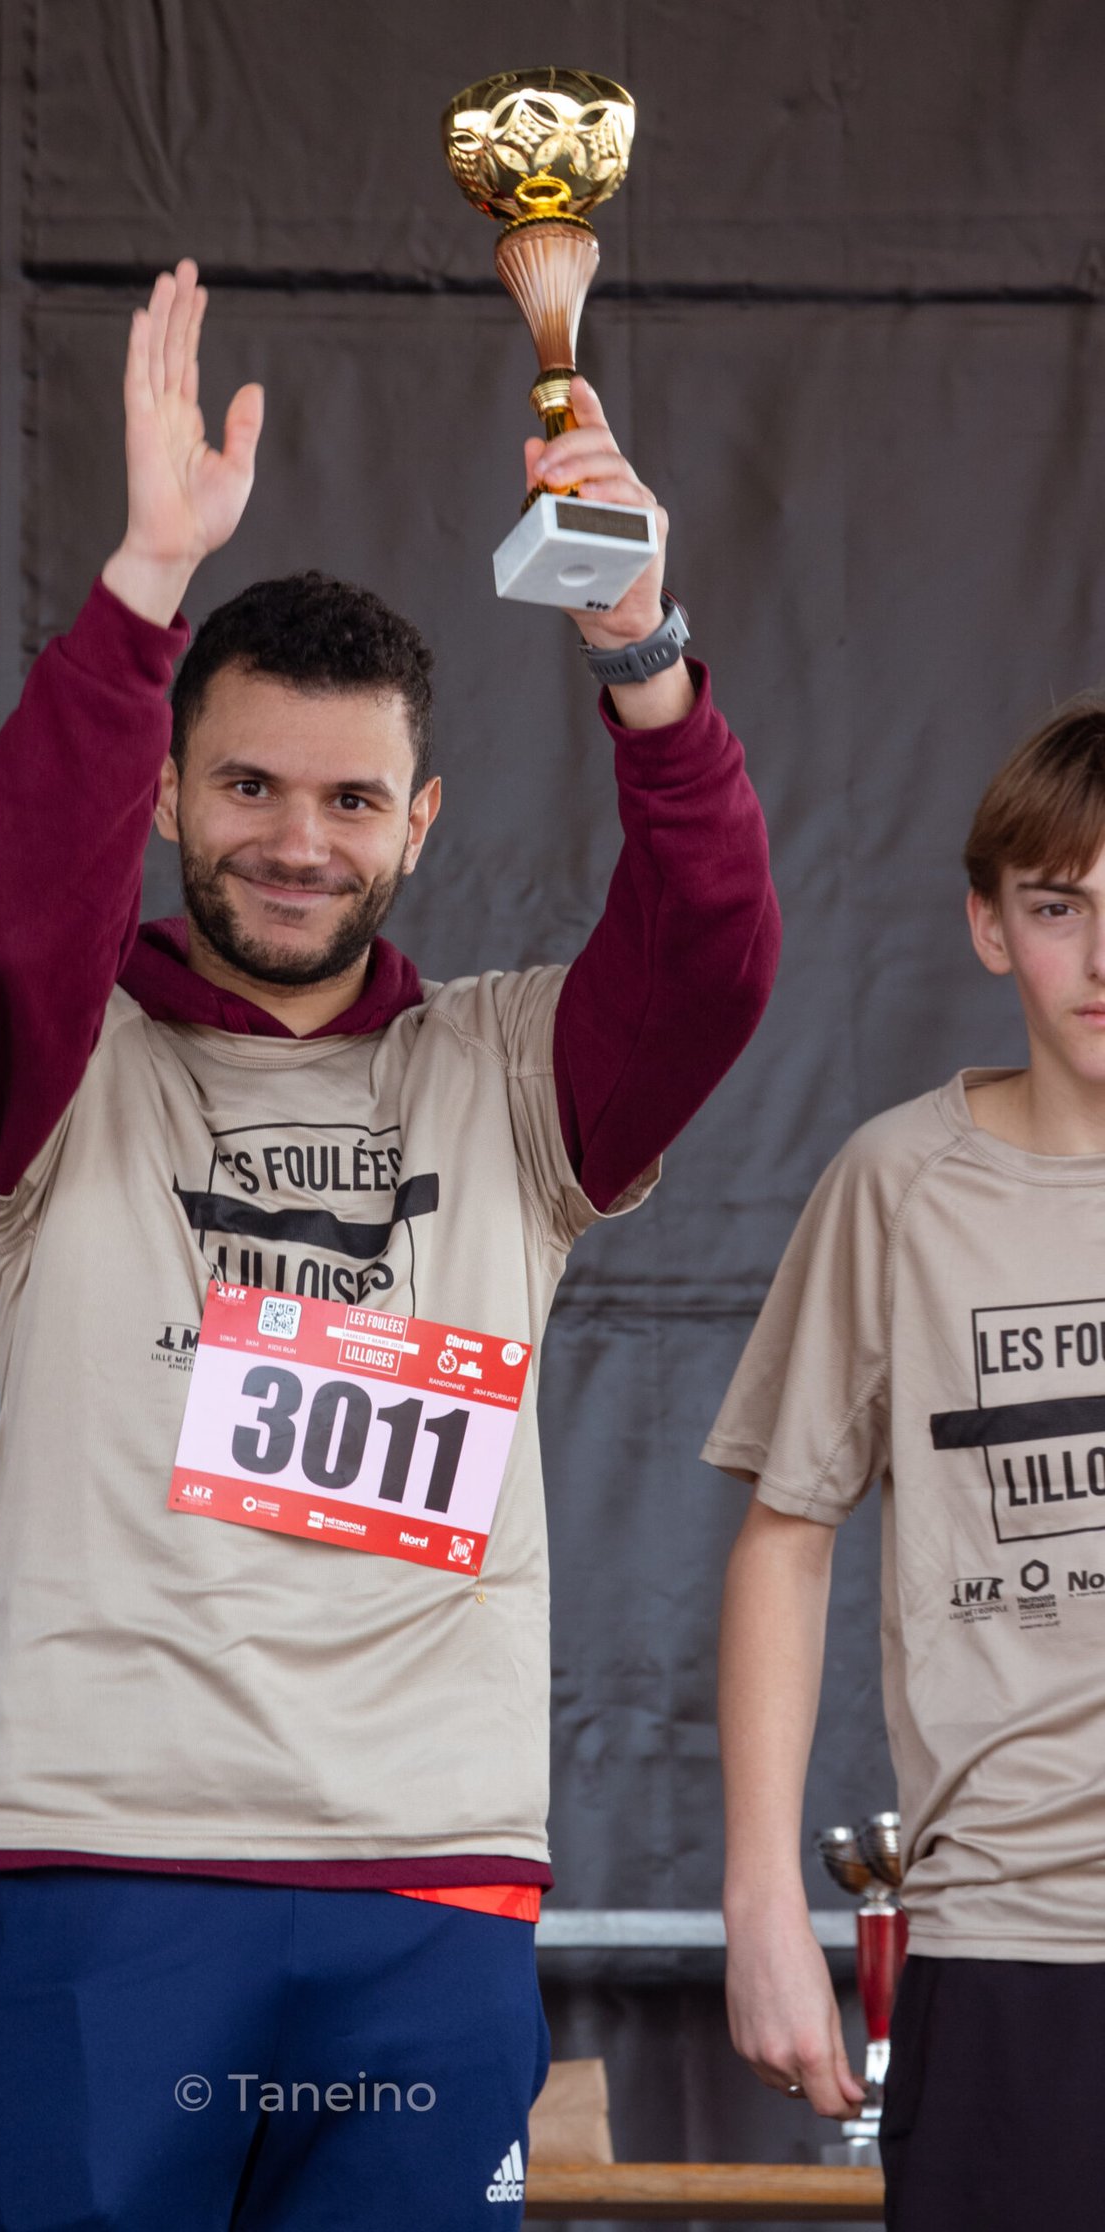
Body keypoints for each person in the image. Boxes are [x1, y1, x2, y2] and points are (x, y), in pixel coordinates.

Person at [0, 258, 779, 2232]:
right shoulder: (57, 1070)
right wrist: (145, 585)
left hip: (429, 1893)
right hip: (115, 1879)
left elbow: (714, 957)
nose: (295, 840)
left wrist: (639, 644)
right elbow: (7, 910)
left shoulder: (509, 1074)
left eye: (347, 798)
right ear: (164, 798)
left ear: (420, 821)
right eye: (244, 786)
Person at [707, 701, 1105, 2229]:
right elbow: (786, 1535)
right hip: (1007, 1949)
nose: (1101, 958)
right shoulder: (899, 1185)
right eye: (1060, 908)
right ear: (990, 926)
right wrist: (762, 1903)